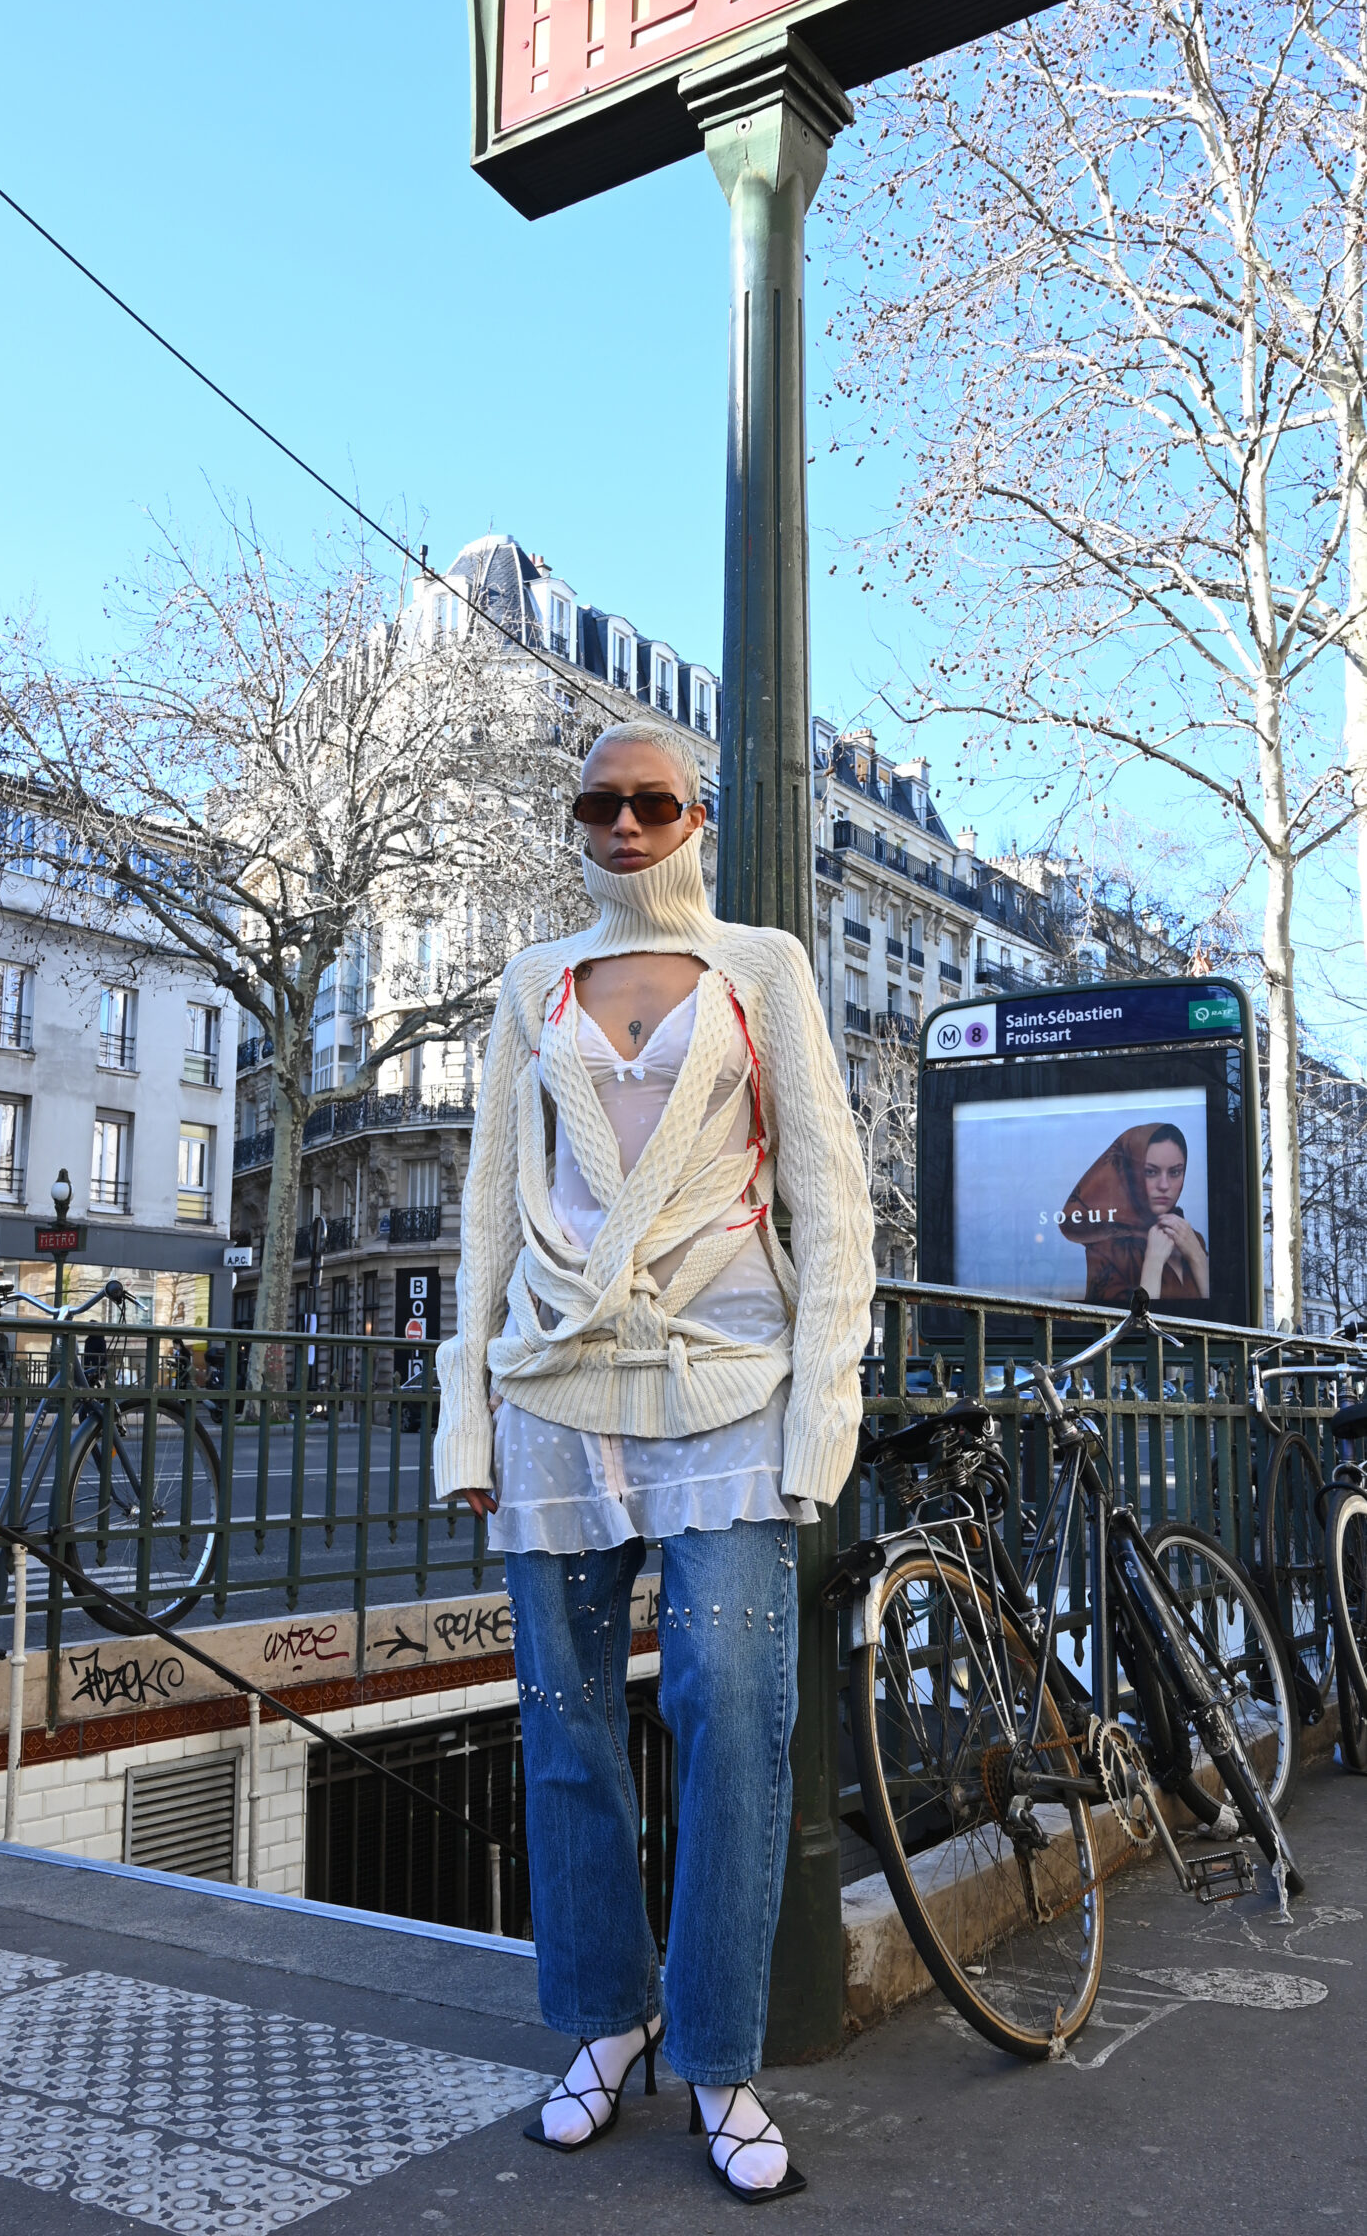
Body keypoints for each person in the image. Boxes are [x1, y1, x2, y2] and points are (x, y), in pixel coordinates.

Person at [433, 721, 874, 2201]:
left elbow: (830, 1202)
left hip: (728, 1387)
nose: (621, 825)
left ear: (696, 818)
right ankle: (601, 2023)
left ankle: (719, 2058)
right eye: (598, 804)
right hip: (554, 1394)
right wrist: (465, 1413)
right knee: (563, 1729)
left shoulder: (761, 968)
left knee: (732, 1719)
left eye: (650, 803)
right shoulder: (530, 982)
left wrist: (821, 1413)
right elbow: (487, 1208)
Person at [1059, 1119, 1208, 1306]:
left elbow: (1219, 1316)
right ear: (1132, 1174)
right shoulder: (1108, 1249)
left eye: (1175, 1172)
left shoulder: (1191, 1239)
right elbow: (1110, 1321)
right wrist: (1153, 1263)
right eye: (1151, 1172)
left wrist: (1197, 1256)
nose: (1164, 1185)